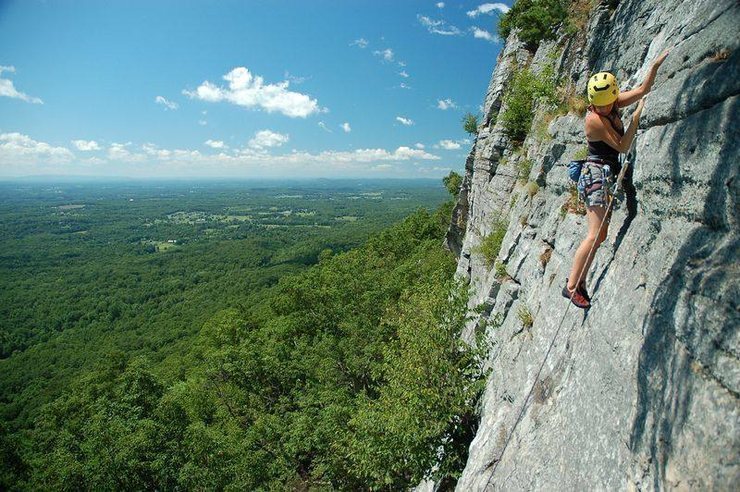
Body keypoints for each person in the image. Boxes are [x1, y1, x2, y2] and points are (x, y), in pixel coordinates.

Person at [564, 50, 669, 309]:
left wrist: (654, 66)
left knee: (600, 236)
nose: (603, 108)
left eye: (607, 104)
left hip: (603, 173)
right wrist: (635, 118)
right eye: (598, 105)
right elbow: (622, 146)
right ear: (592, 102)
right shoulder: (594, 120)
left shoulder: (610, 102)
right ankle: (571, 286)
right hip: (596, 174)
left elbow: (643, 89)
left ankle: (582, 282)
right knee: (593, 235)